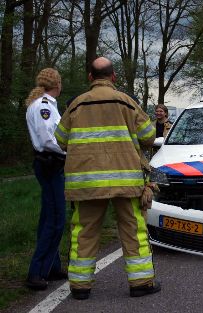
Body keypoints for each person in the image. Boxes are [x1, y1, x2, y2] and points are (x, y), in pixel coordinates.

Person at [54, 57, 159, 300]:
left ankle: (80, 287)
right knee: (134, 230)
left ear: (90, 77)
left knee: (84, 231)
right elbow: (149, 136)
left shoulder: (76, 105)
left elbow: (60, 140)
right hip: (126, 181)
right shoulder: (127, 102)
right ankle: (141, 283)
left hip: (87, 183)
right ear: (113, 77)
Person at [25, 68, 67, 290]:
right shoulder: (43, 106)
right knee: (55, 219)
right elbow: (48, 139)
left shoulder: (44, 104)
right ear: (57, 84)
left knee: (49, 217)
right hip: (50, 163)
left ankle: (51, 266)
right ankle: (37, 272)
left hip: (49, 163)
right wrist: (69, 152)